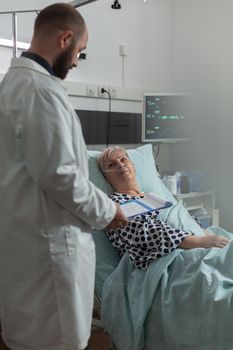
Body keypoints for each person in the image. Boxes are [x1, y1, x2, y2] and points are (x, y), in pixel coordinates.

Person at [0, 4, 128, 350]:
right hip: (49, 253)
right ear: (65, 38)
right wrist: (109, 211)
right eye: (80, 52)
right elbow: (62, 177)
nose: (75, 61)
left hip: (26, 248)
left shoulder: (13, 85)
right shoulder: (40, 92)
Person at [97, 146, 229, 270]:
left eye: (123, 159)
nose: (120, 165)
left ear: (133, 166)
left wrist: (204, 234)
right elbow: (146, 233)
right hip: (163, 259)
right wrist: (199, 241)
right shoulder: (115, 204)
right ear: (106, 177)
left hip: (194, 241)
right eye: (112, 165)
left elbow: (182, 219)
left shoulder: (152, 197)